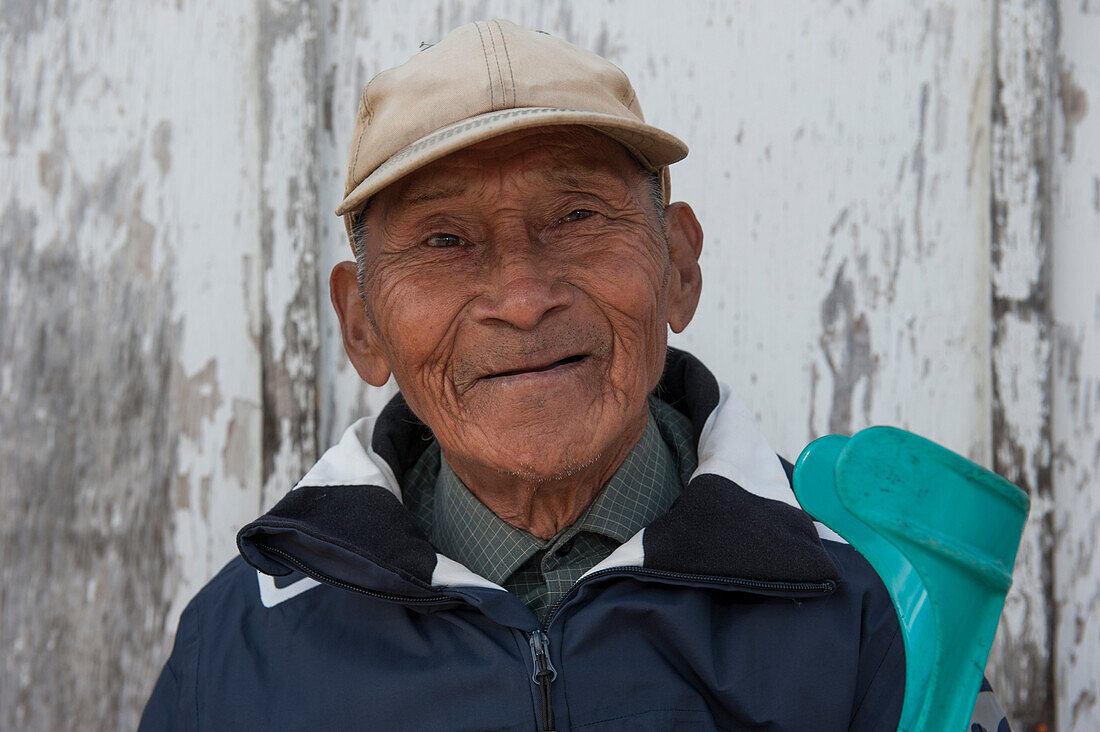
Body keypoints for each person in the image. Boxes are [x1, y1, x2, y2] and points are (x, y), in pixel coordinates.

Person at [140, 20, 1010, 731]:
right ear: (362, 324)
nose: (521, 298)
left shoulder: (870, 606)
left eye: (577, 215)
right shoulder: (239, 645)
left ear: (678, 267)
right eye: (445, 239)